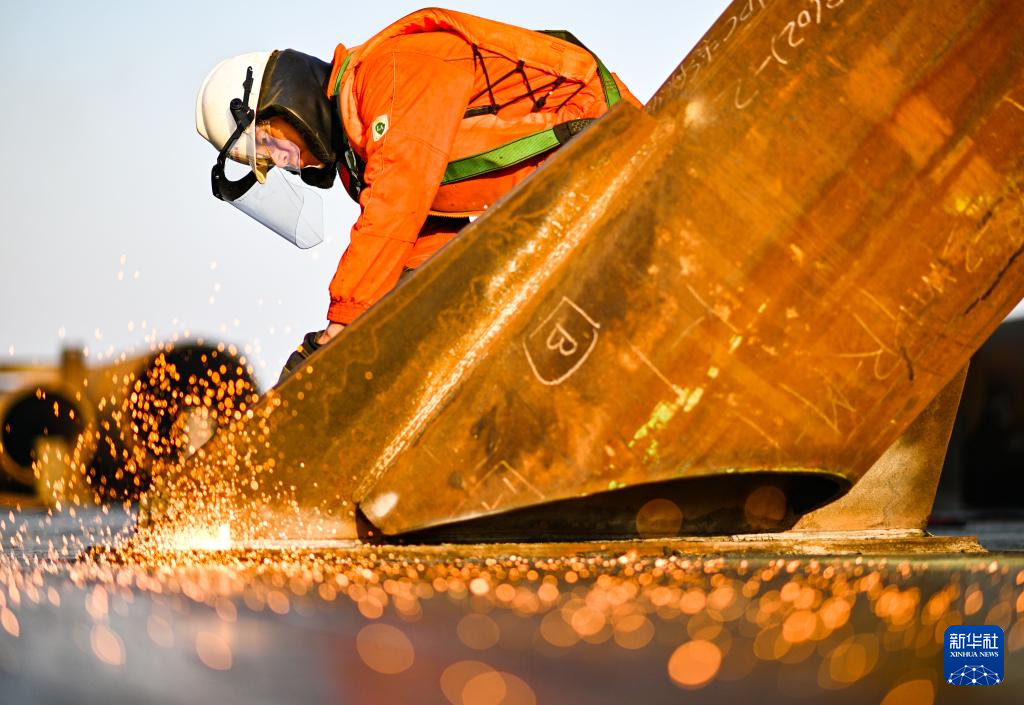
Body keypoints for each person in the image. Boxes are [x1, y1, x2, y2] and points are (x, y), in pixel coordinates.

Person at [195, 8, 640, 380]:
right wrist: (355, 353)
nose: (285, 160)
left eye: (269, 142)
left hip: (604, 141)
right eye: (270, 162)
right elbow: (424, 256)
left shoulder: (388, 71)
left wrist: (339, 329)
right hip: (562, 194)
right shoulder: (360, 157)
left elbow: (398, 198)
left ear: (285, 96)